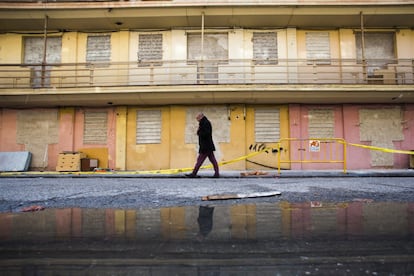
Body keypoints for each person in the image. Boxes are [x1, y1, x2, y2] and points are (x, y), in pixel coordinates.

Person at [186, 113, 220, 178]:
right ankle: (217, 174)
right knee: (213, 160)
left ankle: (193, 174)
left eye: (197, 118)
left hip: (206, 146)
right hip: (207, 146)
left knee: (200, 160)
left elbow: (206, 133)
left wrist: (199, 132)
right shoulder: (204, 123)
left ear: (201, 117)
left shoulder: (205, 123)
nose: (197, 120)